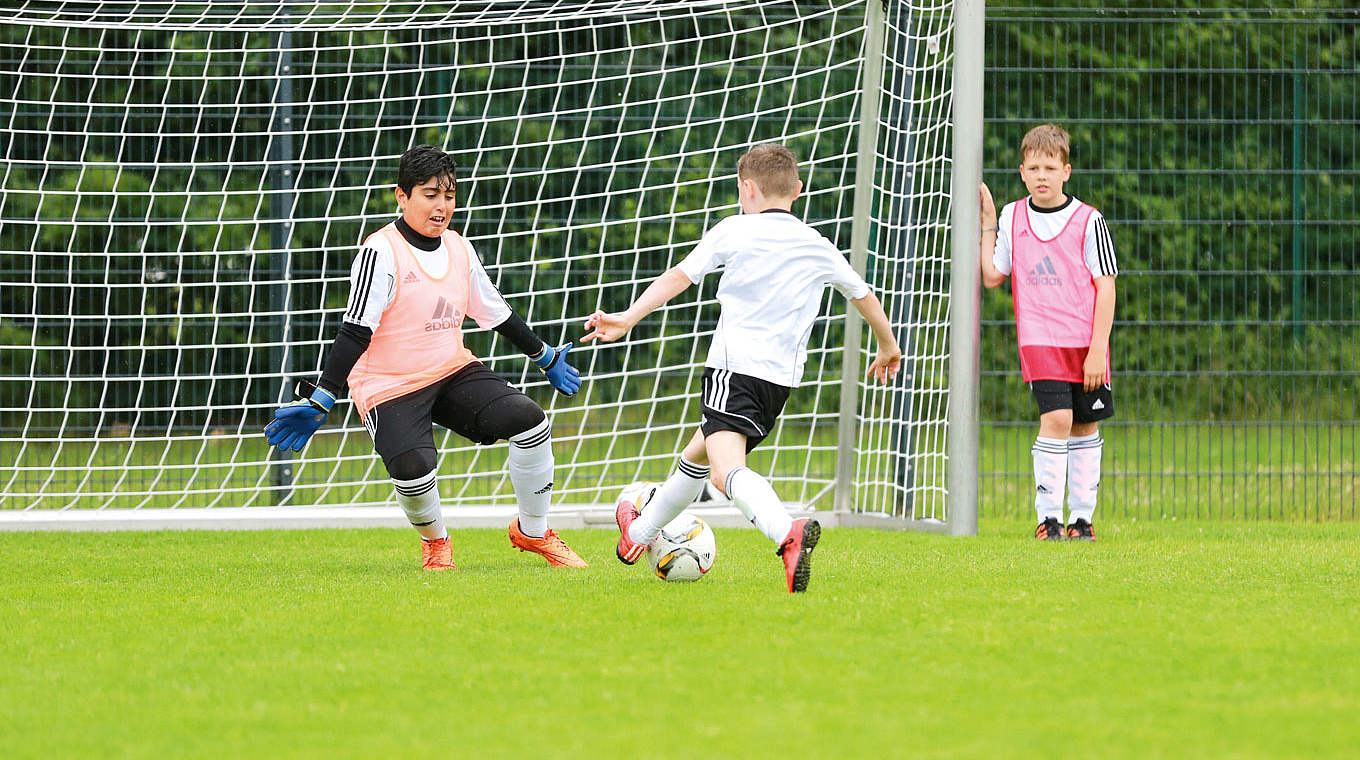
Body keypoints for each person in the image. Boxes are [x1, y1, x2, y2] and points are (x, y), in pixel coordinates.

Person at [582, 143, 902, 593]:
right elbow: (863, 296)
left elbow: (680, 276)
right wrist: (888, 346)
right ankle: (636, 536)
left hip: (733, 371)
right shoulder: (818, 244)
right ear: (798, 191)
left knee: (723, 470)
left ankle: (784, 532)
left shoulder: (735, 229)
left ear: (746, 189)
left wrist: (628, 316)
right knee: (697, 455)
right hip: (779, 383)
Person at [265, 145, 588, 569]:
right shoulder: (380, 251)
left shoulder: (458, 247)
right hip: (389, 385)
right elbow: (355, 329)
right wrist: (324, 396)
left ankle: (534, 531)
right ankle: (436, 542)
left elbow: (494, 310)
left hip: (451, 370)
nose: (442, 206)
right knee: (414, 470)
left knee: (530, 421)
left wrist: (544, 356)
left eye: (449, 196)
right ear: (402, 196)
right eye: (430, 194)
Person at [978, 123, 1119, 541]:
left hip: (1085, 343)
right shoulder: (1013, 215)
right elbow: (992, 275)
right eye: (1033, 167)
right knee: (1057, 418)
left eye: (1049, 167)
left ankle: (1082, 519)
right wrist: (988, 223)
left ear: (1066, 171)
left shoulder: (1089, 221)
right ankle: (1048, 519)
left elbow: (1106, 287)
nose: (1041, 175)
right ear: (1022, 172)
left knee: (1084, 427)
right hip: (1040, 341)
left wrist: (1098, 350)